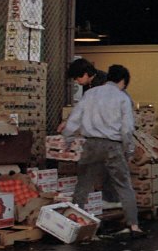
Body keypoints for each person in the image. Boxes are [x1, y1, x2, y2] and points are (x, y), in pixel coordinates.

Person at [62, 65, 144, 237]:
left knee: (83, 185)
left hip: (90, 144)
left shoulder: (90, 94)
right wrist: (128, 150)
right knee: (124, 185)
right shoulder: (123, 98)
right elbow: (127, 129)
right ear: (122, 80)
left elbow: (75, 118)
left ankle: (73, 223)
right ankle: (133, 226)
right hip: (112, 146)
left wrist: (68, 139)